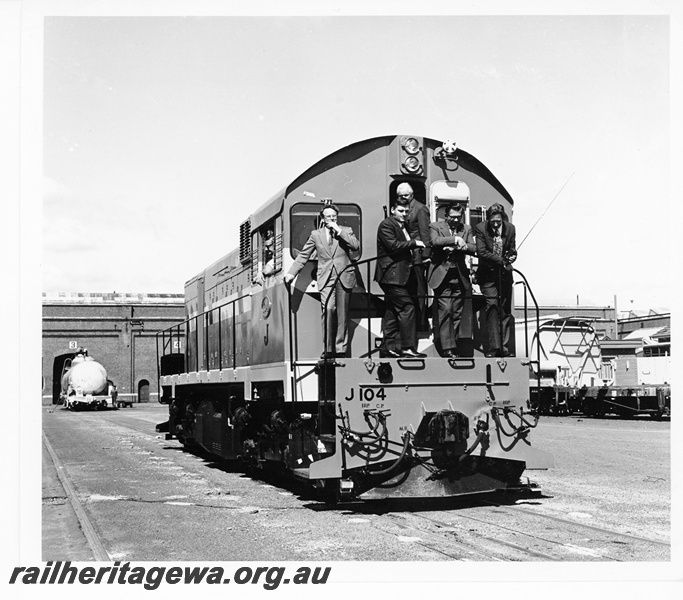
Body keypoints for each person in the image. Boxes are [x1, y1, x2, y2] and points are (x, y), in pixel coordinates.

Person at [284, 204, 360, 358]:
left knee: (342, 314)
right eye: (328, 217)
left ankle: (340, 350)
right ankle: (328, 348)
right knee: (329, 309)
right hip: (326, 277)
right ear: (323, 218)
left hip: (344, 276)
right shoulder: (316, 235)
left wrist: (339, 231)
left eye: (334, 216)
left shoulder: (346, 231)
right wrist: (291, 273)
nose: (332, 218)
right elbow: (303, 255)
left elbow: (355, 245)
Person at [374, 196, 427, 358]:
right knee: (407, 308)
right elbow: (393, 246)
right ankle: (407, 348)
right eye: (401, 211)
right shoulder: (386, 225)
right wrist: (415, 243)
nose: (404, 214)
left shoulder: (404, 225)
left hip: (400, 276)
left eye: (406, 211)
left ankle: (387, 347)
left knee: (392, 310)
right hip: (391, 276)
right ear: (392, 210)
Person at [428, 204, 475, 357]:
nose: (455, 220)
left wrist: (461, 247)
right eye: (452, 216)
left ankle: (451, 344)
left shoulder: (466, 228)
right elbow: (434, 241)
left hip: (459, 277)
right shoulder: (435, 226)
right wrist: (455, 240)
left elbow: (473, 248)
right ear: (446, 215)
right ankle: (447, 348)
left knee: (456, 313)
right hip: (442, 277)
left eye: (458, 217)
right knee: (446, 310)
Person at [473, 203, 517, 357]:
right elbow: (482, 252)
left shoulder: (510, 229)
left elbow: (512, 248)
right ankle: (494, 347)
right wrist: (501, 261)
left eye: (498, 221)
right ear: (488, 220)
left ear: (502, 218)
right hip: (487, 277)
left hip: (504, 277)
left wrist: (512, 256)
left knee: (505, 311)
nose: (496, 224)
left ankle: (504, 347)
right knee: (492, 306)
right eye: (493, 221)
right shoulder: (480, 228)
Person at [400, 182, 431, 330]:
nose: (403, 198)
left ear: (411, 194)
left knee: (419, 290)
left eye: (405, 195)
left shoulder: (420, 208)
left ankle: (421, 322)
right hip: (405, 256)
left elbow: (425, 233)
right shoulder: (402, 209)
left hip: (418, 257)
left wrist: (426, 256)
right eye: (400, 196)